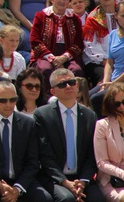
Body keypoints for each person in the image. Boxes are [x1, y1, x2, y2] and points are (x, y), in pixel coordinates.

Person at [0, 81, 52, 201]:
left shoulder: (28, 124)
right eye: (3, 100)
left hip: (21, 179)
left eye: (13, 100)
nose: (9, 104)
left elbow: (33, 162)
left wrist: (17, 189)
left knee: (45, 199)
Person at [34, 68, 105, 202]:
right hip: (54, 178)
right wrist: (65, 182)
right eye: (62, 84)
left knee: (97, 199)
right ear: (53, 92)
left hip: (81, 177)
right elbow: (45, 155)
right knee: (67, 198)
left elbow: (92, 153)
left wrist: (83, 182)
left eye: (72, 82)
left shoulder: (90, 115)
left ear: (77, 85)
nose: (68, 87)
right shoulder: (43, 115)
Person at [93, 82, 124, 200]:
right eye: (117, 104)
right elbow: (101, 162)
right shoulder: (102, 126)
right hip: (114, 181)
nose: (122, 107)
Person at [30, 0, 85, 87]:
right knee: (45, 69)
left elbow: (79, 43)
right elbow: (35, 40)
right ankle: (48, 99)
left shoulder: (74, 18)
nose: (62, 1)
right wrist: (52, 58)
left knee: (76, 70)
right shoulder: (41, 16)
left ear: (69, 2)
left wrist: (64, 58)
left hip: (67, 55)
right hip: (45, 55)